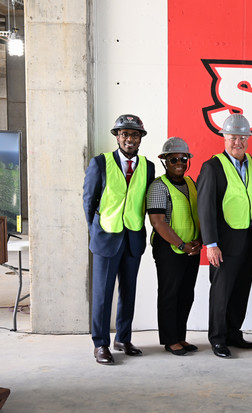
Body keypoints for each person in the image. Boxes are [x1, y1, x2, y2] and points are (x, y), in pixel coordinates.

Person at [83, 114, 155, 365]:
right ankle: (100, 344)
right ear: (117, 136)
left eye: (134, 134)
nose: (129, 139)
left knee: (128, 291)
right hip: (106, 237)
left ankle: (123, 338)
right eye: (124, 134)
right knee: (103, 295)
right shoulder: (100, 163)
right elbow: (89, 201)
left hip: (133, 237)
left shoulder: (148, 166)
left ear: (140, 139)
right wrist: (95, 232)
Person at [196, 113, 252, 358]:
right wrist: (211, 244)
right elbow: (205, 208)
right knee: (221, 292)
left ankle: (234, 332)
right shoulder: (212, 166)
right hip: (224, 243)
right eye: (233, 137)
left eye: (243, 136)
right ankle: (217, 338)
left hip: (250, 241)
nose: (238, 141)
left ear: (248, 138)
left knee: (241, 290)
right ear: (224, 138)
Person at [147, 137, 202, 356]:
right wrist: (181, 245)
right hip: (169, 249)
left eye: (183, 158)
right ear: (164, 161)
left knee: (186, 293)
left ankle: (180, 336)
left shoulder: (191, 183)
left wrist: (198, 241)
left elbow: (197, 214)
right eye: (173, 159)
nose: (179, 162)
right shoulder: (159, 186)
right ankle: (170, 340)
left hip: (191, 249)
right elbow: (158, 222)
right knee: (170, 293)